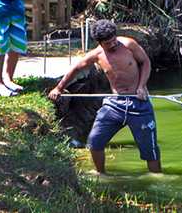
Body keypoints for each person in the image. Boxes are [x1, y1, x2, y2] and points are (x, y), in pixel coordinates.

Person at [48, 20, 161, 175]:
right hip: (115, 104)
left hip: (139, 103)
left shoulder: (129, 44)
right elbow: (75, 69)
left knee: (150, 150)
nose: (113, 44)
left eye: (114, 39)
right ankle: (101, 175)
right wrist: (59, 88)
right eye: (108, 43)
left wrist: (141, 86)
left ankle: (156, 177)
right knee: (95, 142)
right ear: (100, 43)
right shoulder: (96, 55)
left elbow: (145, 62)